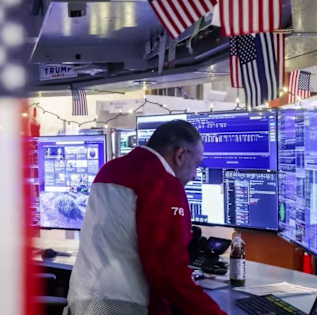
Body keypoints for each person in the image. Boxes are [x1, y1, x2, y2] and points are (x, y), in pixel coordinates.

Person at [64, 120, 226, 315]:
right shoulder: (163, 184)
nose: (194, 175)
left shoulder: (109, 170)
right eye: (197, 165)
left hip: (83, 298)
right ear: (181, 154)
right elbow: (168, 274)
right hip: (125, 305)